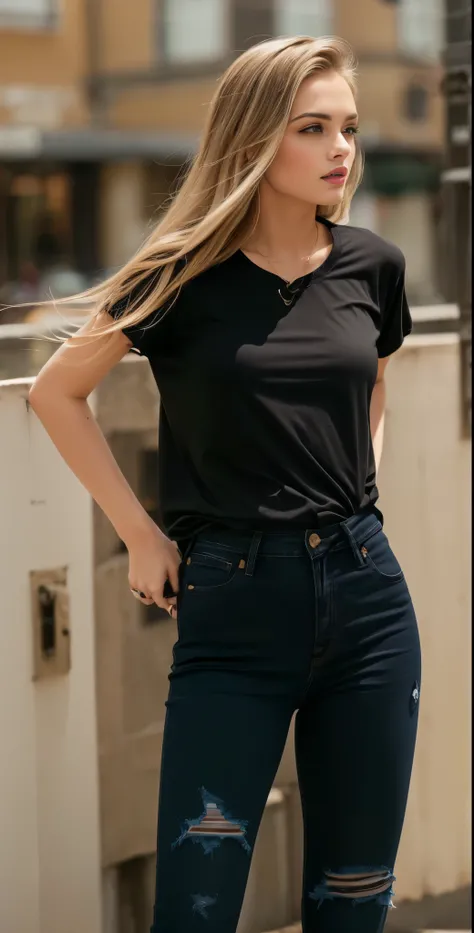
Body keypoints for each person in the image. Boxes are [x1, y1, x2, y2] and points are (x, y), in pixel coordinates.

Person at [28, 36, 421, 933]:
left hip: (368, 603)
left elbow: (378, 377)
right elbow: (58, 392)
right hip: (233, 607)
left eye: (348, 128)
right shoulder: (180, 274)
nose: (341, 150)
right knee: (195, 910)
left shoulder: (373, 265)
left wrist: (359, 485)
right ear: (253, 140)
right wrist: (141, 533)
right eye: (312, 128)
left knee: (354, 905)